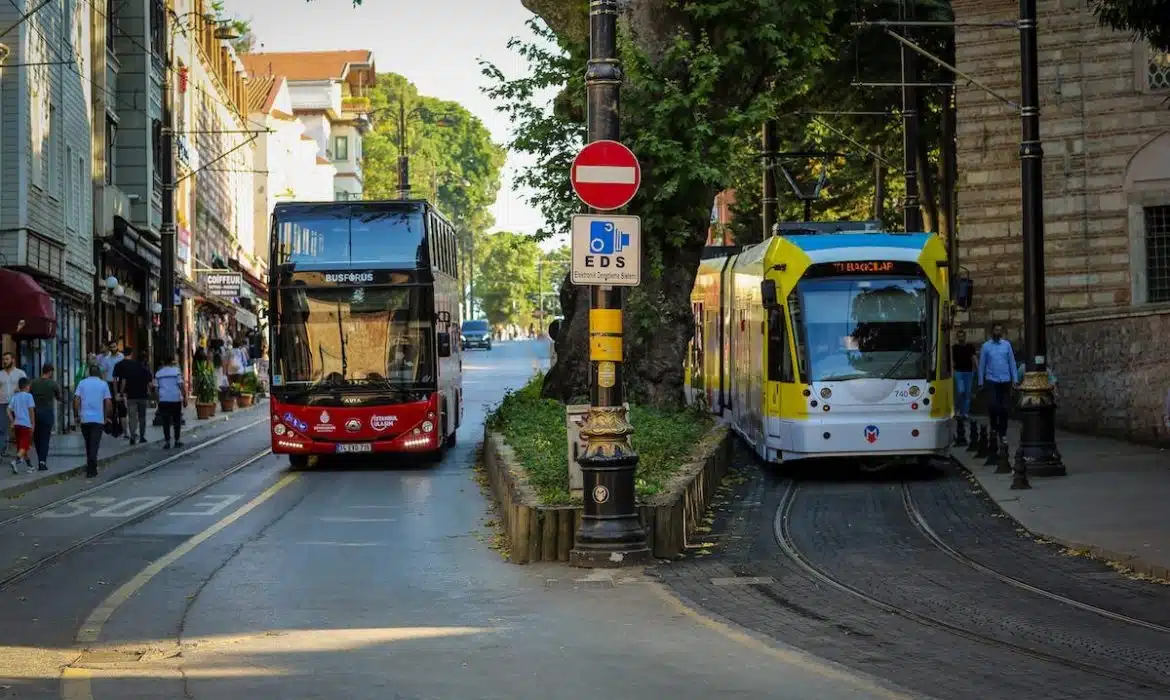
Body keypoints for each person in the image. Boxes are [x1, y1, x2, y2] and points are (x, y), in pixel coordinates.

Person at [978, 323, 1019, 447]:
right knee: (993, 406)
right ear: (992, 332)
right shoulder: (986, 347)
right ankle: (994, 428)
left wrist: (1015, 380)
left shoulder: (1007, 345)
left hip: (1005, 380)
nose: (998, 332)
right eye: (996, 330)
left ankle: (1003, 433)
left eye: (1000, 330)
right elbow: (982, 365)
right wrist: (980, 382)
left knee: (1004, 409)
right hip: (991, 380)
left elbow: (1012, 363)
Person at [74, 365, 113, 478]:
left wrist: (76, 415)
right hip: (98, 419)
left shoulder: (82, 383)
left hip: (85, 418)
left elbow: (76, 400)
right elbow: (108, 403)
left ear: (89, 373)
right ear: (99, 373)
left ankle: (90, 466)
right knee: (94, 444)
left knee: (88, 443)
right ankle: (92, 468)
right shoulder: (103, 384)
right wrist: (106, 416)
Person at [114, 348, 153, 445]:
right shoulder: (146, 370)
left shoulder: (130, 368)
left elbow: (123, 381)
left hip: (131, 396)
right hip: (142, 396)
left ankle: (132, 436)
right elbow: (150, 384)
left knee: (132, 417)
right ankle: (142, 436)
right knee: (142, 417)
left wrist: (122, 392)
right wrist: (150, 393)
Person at [30, 364, 61, 471]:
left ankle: (40, 458)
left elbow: (28, 395)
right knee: (45, 438)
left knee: (37, 438)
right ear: (50, 372)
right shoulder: (53, 384)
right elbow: (59, 397)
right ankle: (42, 461)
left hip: (34, 413)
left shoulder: (33, 383)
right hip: (47, 414)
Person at [951, 329, 978, 444]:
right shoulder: (954, 348)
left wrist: (977, 369)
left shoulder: (970, 347)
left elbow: (974, 358)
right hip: (958, 372)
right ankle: (957, 409)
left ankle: (964, 413)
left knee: (967, 393)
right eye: (959, 336)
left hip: (968, 371)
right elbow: (951, 361)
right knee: (961, 391)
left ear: (965, 337)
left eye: (963, 336)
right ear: (958, 337)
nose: (961, 338)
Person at [0, 351, 28, 459]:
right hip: (2, 404)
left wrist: (20, 390)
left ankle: (20, 453)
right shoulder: (0, 374)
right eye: (3, 359)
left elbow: (27, 387)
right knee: (2, 429)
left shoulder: (20, 373)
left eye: (7, 359)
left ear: (13, 360)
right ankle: (2, 452)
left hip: (17, 405)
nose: (5, 361)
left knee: (20, 428)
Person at [154, 355, 185, 449]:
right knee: (177, 420)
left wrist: (158, 398)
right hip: (175, 399)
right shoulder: (176, 372)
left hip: (164, 399)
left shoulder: (158, 373)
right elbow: (180, 385)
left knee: (165, 421)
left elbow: (156, 388)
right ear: (172, 362)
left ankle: (167, 441)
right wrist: (184, 396)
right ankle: (177, 440)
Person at [7, 377, 36, 474]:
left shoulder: (15, 396)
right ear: (27, 386)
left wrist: (12, 420)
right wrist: (33, 423)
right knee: (26, 446)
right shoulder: (29, 396)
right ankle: (15, 461)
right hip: (25, 425)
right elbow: (31, 411)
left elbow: (8, 410)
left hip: (17, 425)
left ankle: (30, 466)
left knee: (22, 447)